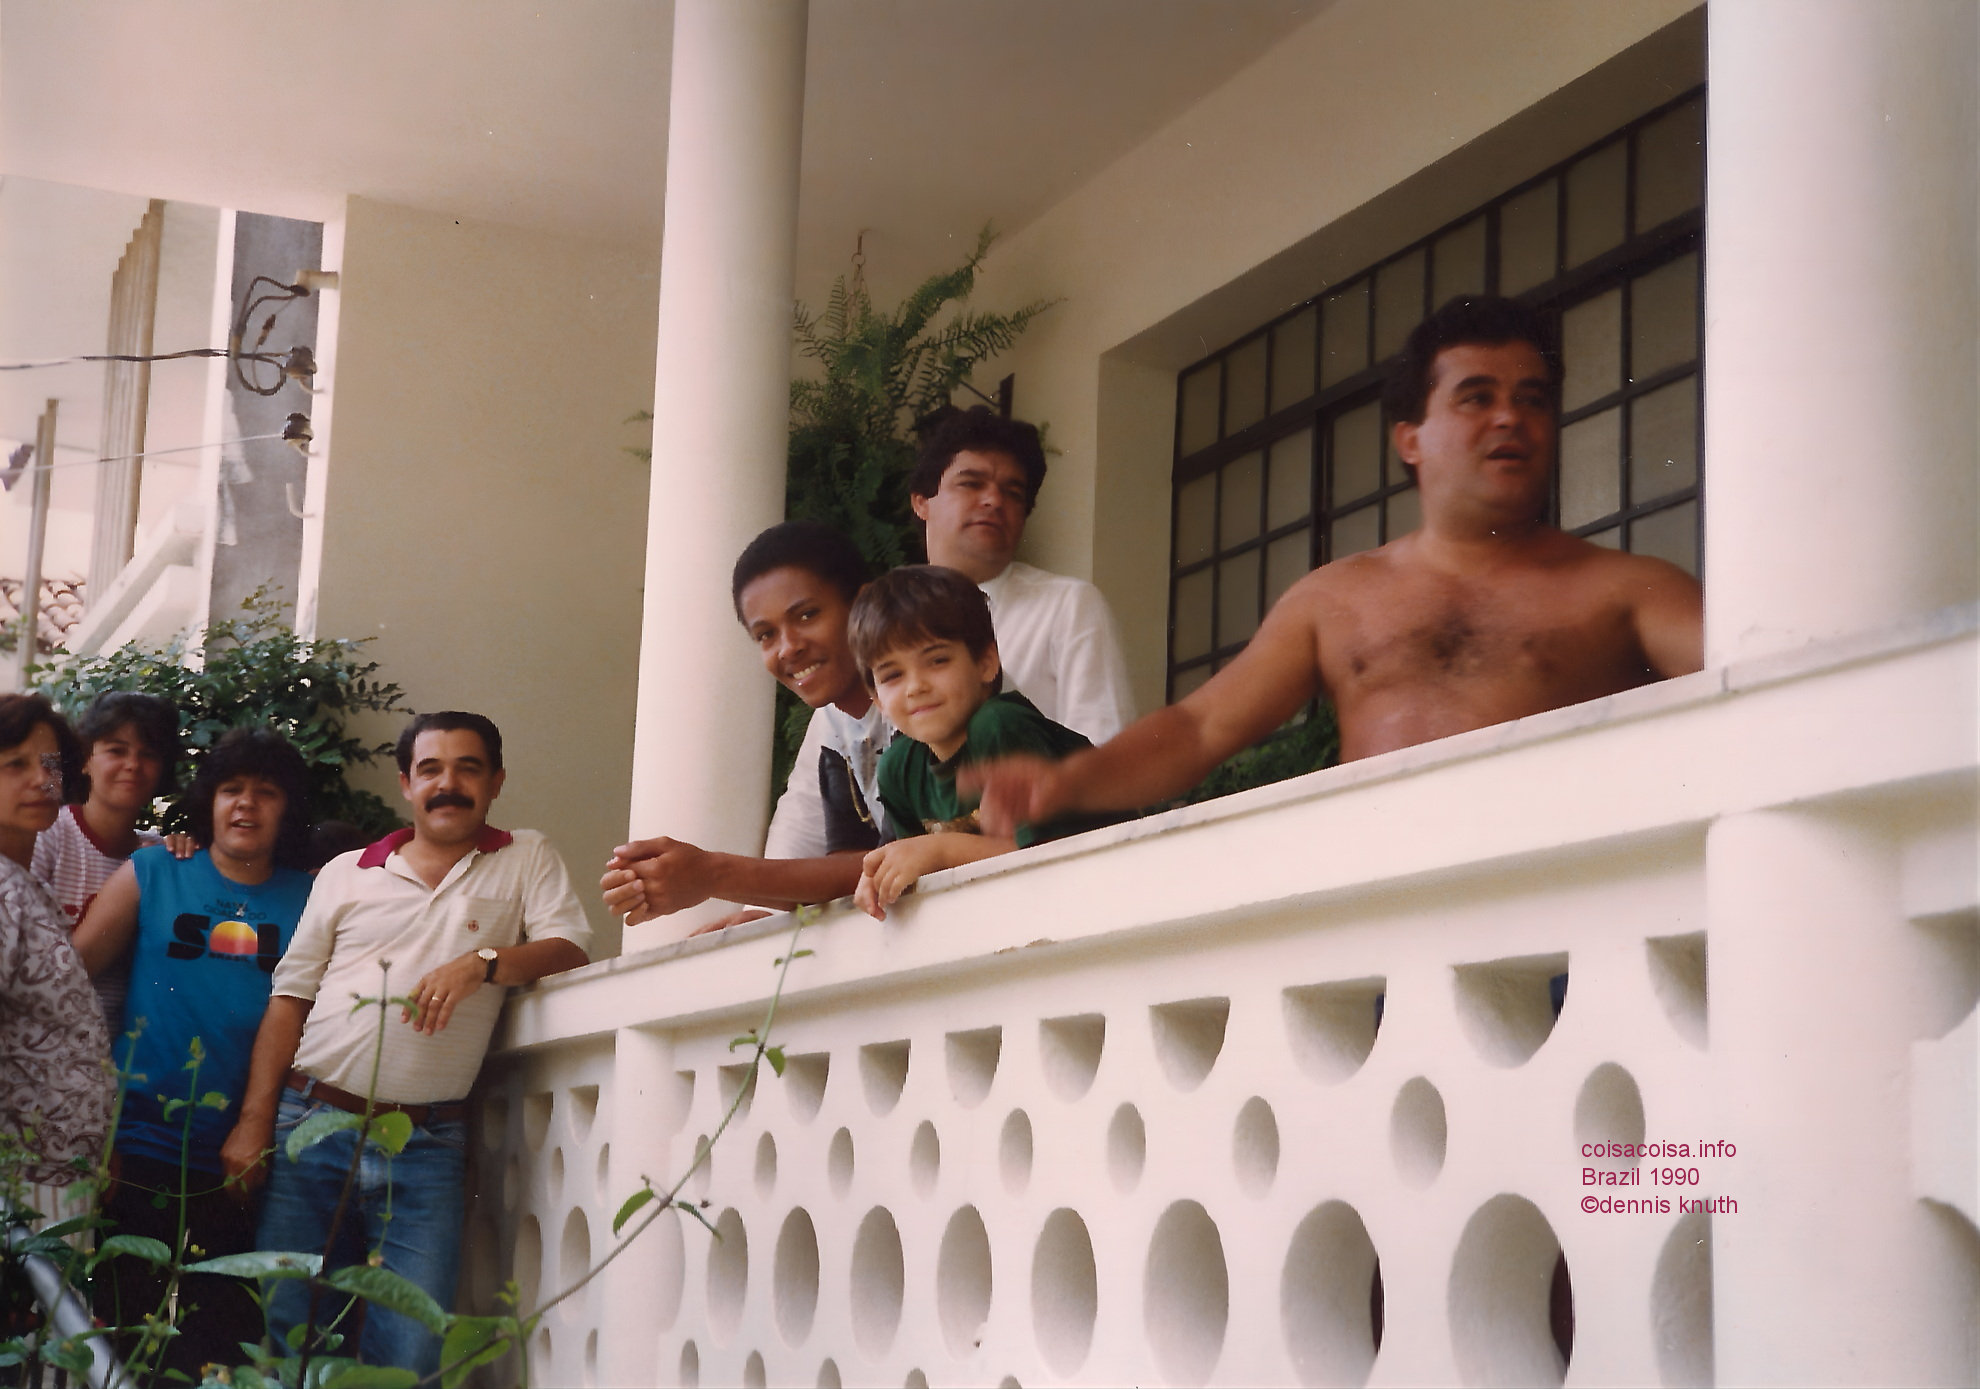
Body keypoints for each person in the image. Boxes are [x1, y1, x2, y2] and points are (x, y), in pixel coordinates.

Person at [971, 295, 1705, 832]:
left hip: (1563, 914)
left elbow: (1754, 661)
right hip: (1374, 919)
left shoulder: (1629, 590)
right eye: (1477, 398)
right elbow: (1200, 728)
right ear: (1410, 438)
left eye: (1533, 399)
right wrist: (1068, 781)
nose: (1511, 417)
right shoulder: (1335, 599)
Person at [227, 711, 591, 1375]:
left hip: (426, 1145)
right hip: (311, 1124)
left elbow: (567, 948)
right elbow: (290, 999)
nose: (447, 783)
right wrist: (253, 1124)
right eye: (431, 769)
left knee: (414, 1343)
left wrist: (481, 962)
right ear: (406, 783)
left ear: (496, 780)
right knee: (293, 1332)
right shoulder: (346, 871)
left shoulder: (525, 855)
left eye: (467, 768)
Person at [73, 728, 314, 1380]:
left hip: (246, 1154)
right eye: (232, 788)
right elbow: (65, 983)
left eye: (266, 793)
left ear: (287, 808)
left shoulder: (315, 894)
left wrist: (257, 1123)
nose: (246, 804)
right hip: (139, 1139)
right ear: (208, 800)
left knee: (223, 1338)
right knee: (124, 1330)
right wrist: (92, 1120)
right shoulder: (154, 869)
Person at [602, 522, 891, 929]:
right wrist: (758, 919)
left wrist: (712, 875)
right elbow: (820, 864)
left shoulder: (926, 697)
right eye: (766, 635)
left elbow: (907, 855)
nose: (788, 647)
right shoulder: (830, 724)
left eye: (807, 615)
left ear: (863, 604)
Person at [848, 566, 1117, 920]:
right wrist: (880, 877)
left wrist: (938, 850)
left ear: (986, 663)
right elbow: (915, 866)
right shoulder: (898, 768)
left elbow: (1047, 854)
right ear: (878, 700)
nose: (915, 686)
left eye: (937, 660)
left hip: (1113, 888)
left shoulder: (1000, 726)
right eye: (893, 675)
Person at [911, 407, 1135, 743]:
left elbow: (1106, 749)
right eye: (971, 483)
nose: (993, 500)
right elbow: (810, 789)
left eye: (1012, 493)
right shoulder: (888, 620)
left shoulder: (1066, 606)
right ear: (921, 503)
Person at [0, 696, 109, 1203]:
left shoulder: (26, 886)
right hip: (16, 1183)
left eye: (50, 764)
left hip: (53, 1177)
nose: (41, 780)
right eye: (15, 764)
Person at [32, 691, 179, 1037]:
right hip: (39, 1042)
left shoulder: (161, 855)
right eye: (116, 750)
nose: (132, 764)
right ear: (85, 759)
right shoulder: (49, 835)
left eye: (148, 754)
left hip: (119, 1055)